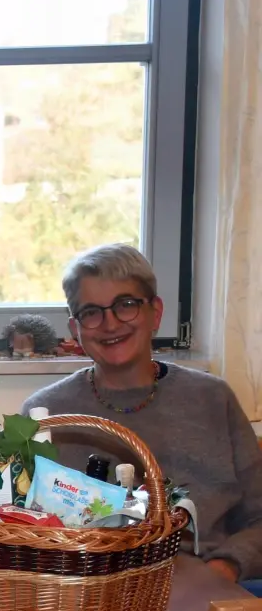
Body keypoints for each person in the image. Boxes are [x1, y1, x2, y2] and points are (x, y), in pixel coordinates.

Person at [22, 243, 262, 588]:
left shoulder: (213, 399)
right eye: (91, 312)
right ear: (76, 328)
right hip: (84, 595)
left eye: (126, 305)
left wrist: (224, 568)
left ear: (156, 313)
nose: (109, 323)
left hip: (207, 584)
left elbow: (258, 517)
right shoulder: (45, 413)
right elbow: (21, 529)